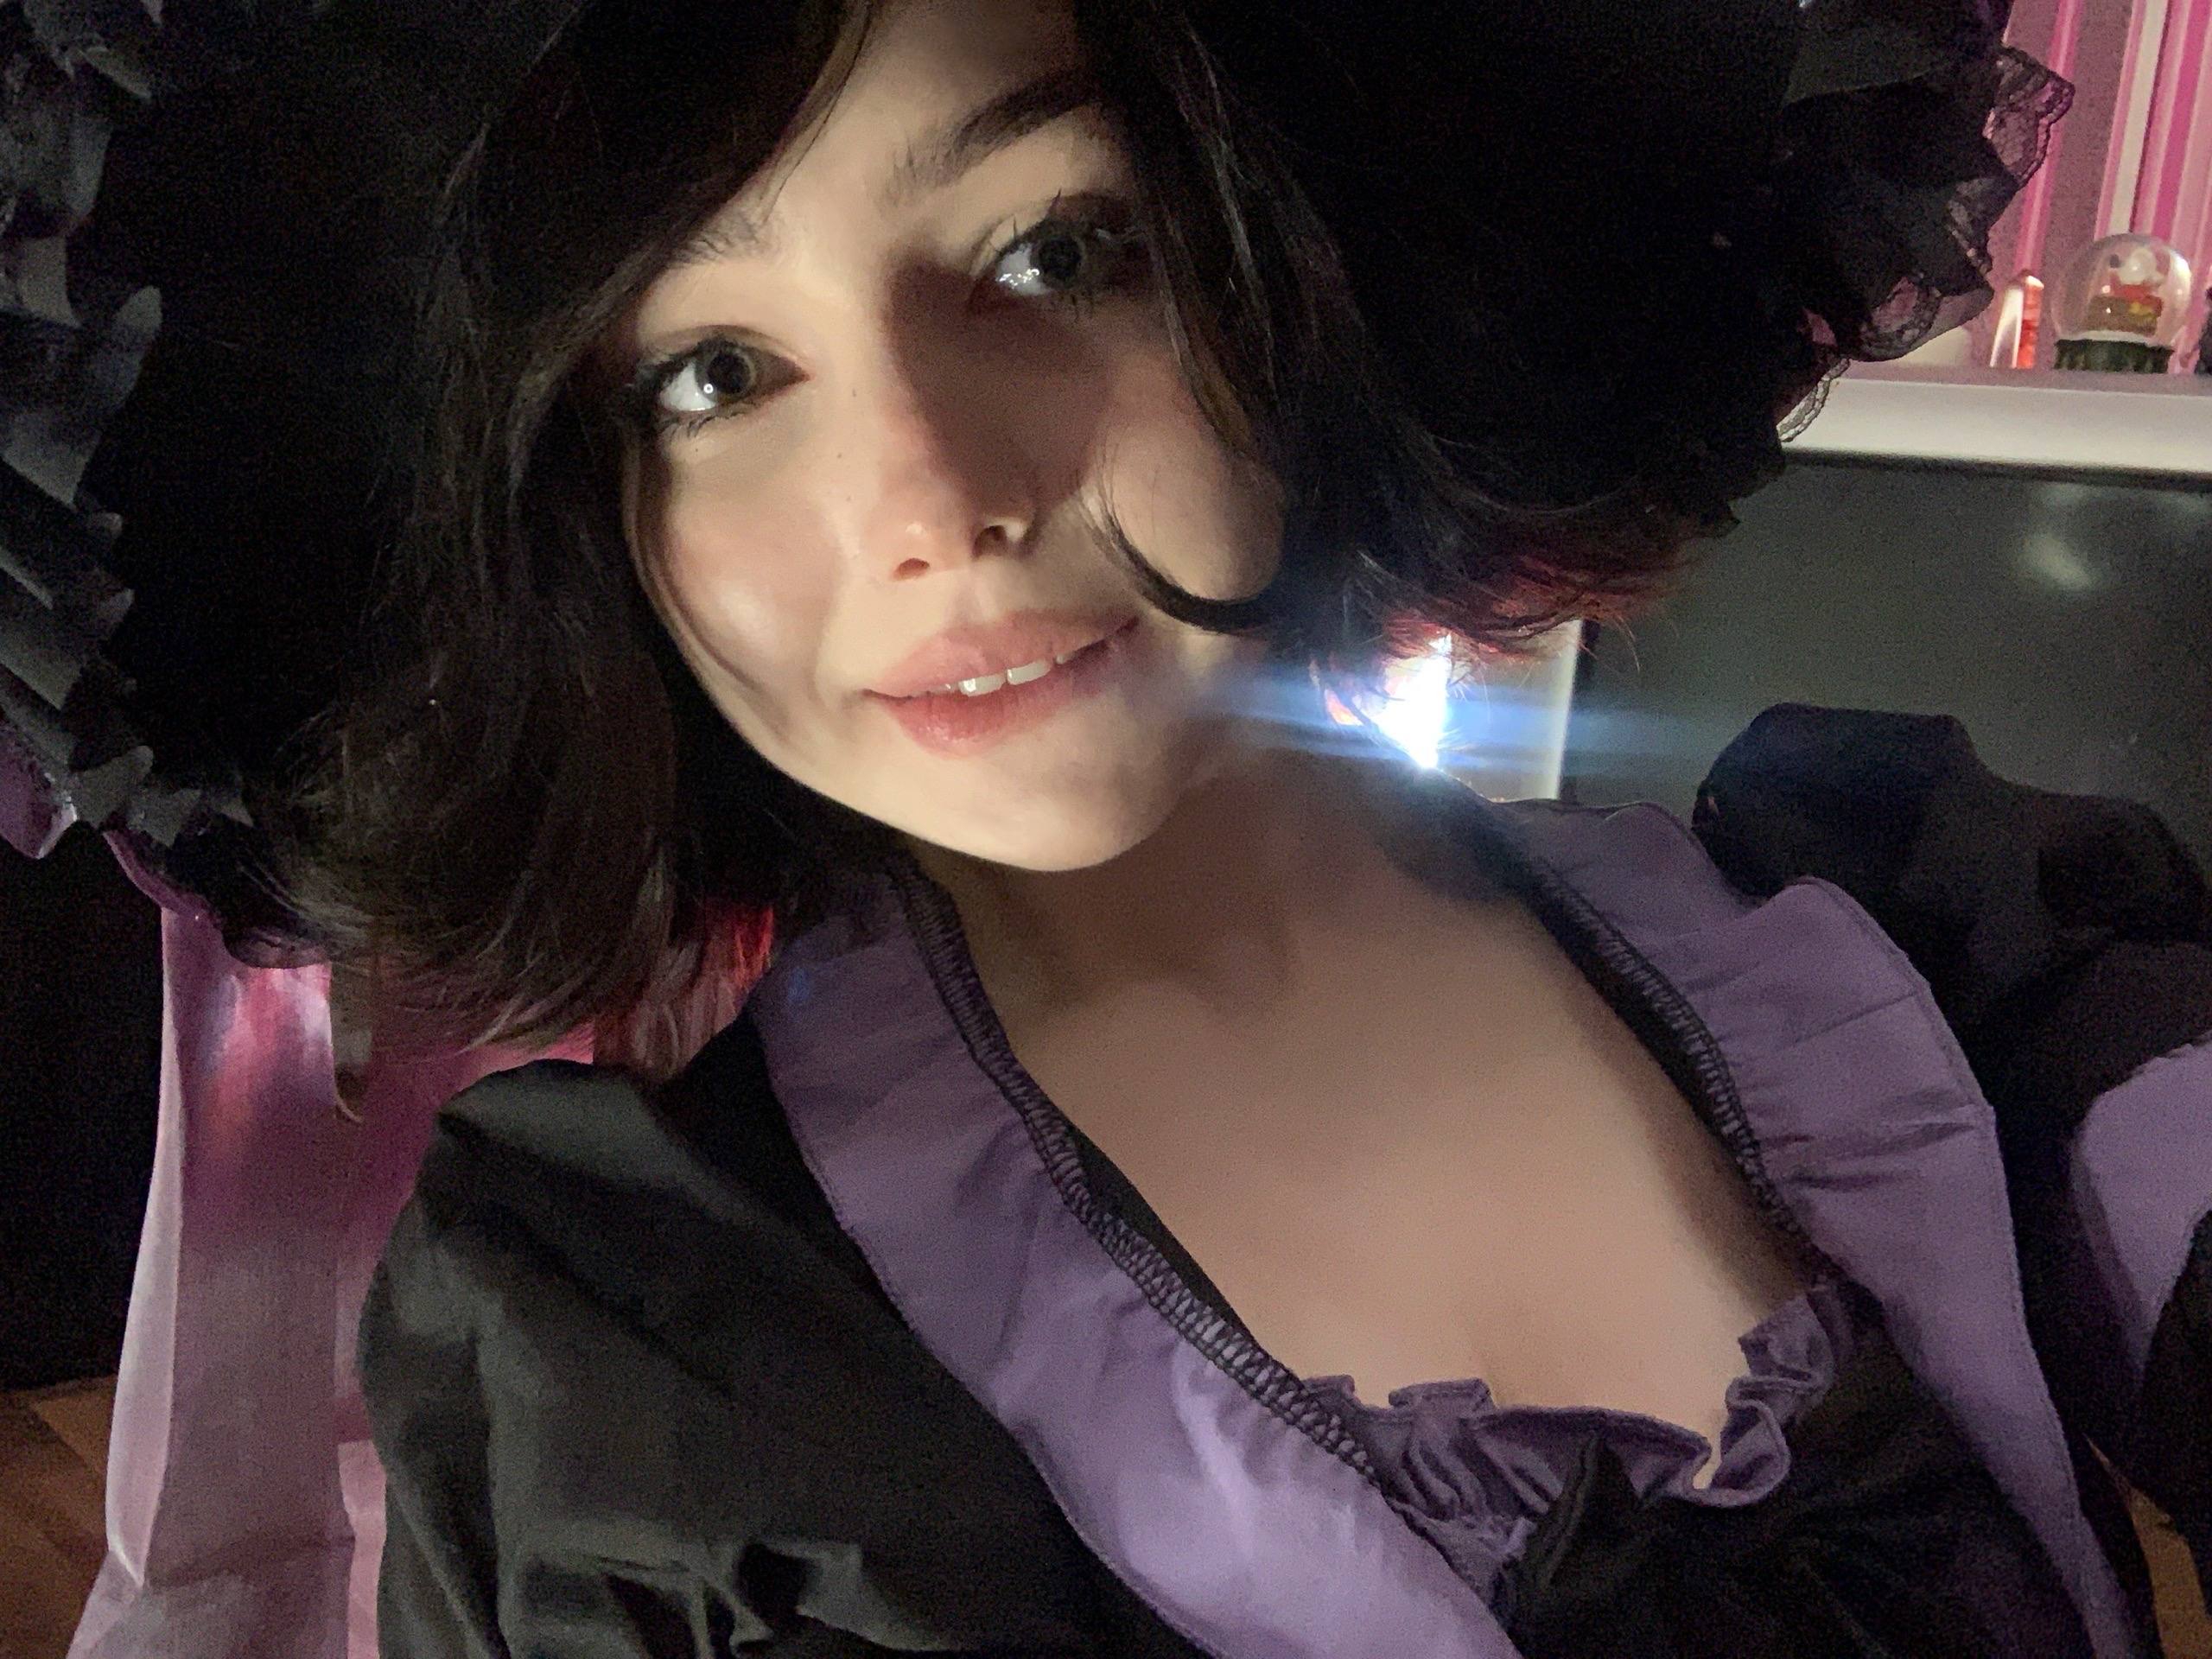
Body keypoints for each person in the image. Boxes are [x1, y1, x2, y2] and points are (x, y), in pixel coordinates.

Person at [3, 0, 2205, 1655]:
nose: (930, 500)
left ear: (1286, 272)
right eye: (711, 376)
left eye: (1053, 253)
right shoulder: (651, 1341)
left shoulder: (1916, 925)